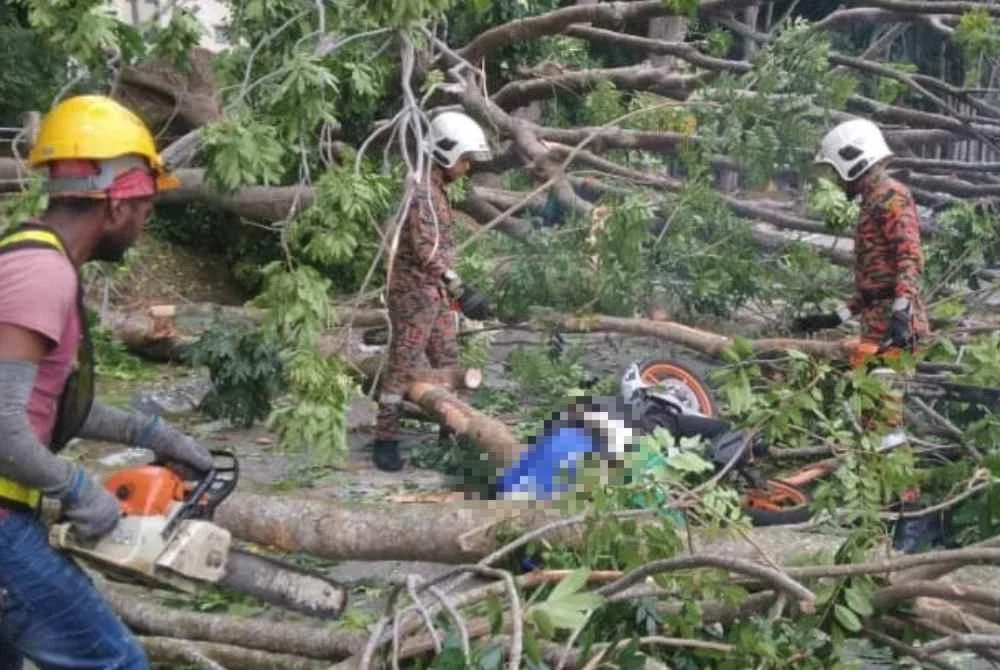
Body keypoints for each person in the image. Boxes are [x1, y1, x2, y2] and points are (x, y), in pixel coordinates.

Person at [0, 95, 214, 670]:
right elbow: (2, 427)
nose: (144, 225)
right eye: (144, 209)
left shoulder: (34, 261)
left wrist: (153, 433)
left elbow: (49, 403)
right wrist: (77, 489)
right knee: (116, 662)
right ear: (117, 205)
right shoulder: (39, 272)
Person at [370, 111, 493, 472]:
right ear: (446, 152)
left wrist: (454, 292)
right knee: (403, 365)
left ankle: (449, 430)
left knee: (448, 358)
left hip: (433, 293)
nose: (468, 166)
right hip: (412, 293)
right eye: (465, 159)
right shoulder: (422, 192)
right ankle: (385, 439)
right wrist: (460, 286)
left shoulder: (435, 188)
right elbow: (426, 250)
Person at [793, 118, 930, 352]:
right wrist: (836, 317)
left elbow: (910, 258)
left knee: (886, 388)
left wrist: (900, 314)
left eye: (837, 171)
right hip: (877, 327)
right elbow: (875, 289)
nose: (837, 180)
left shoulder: (891, 197)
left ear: (853, 161)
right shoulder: (873, 200)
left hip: (896, 333)